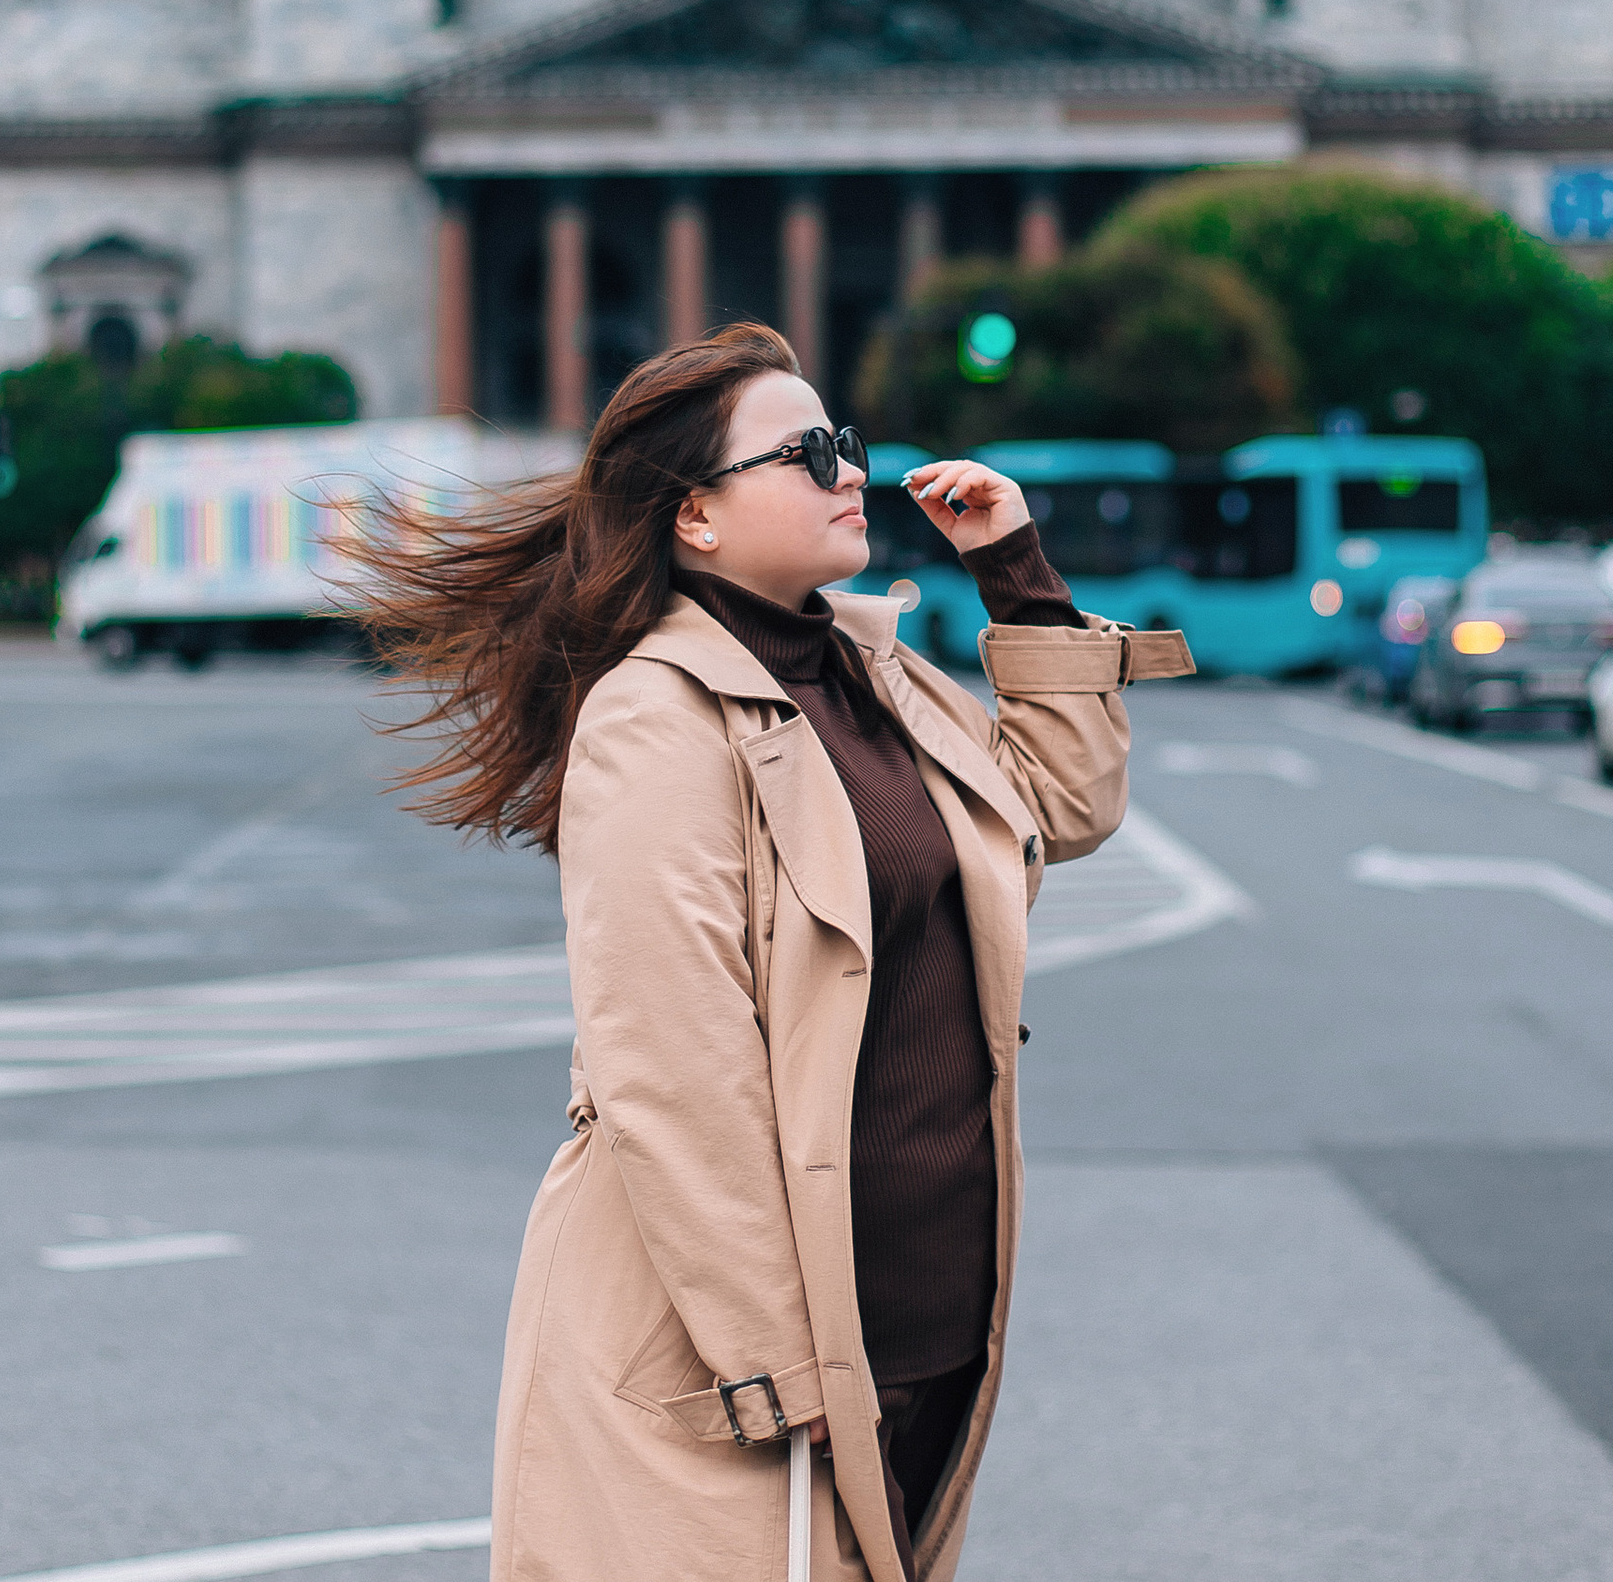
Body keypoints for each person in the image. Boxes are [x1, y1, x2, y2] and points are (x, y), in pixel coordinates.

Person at [360, 323, 1191, 1581]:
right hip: (751, 1354)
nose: (849, 470)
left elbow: (1058, 806)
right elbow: (670, 1068)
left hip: (919, 1321)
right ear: (694, 515)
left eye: (841, 441)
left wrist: (1016, 575)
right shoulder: (655, 715)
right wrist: (773, 1362)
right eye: (805, 453)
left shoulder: (870, 670)